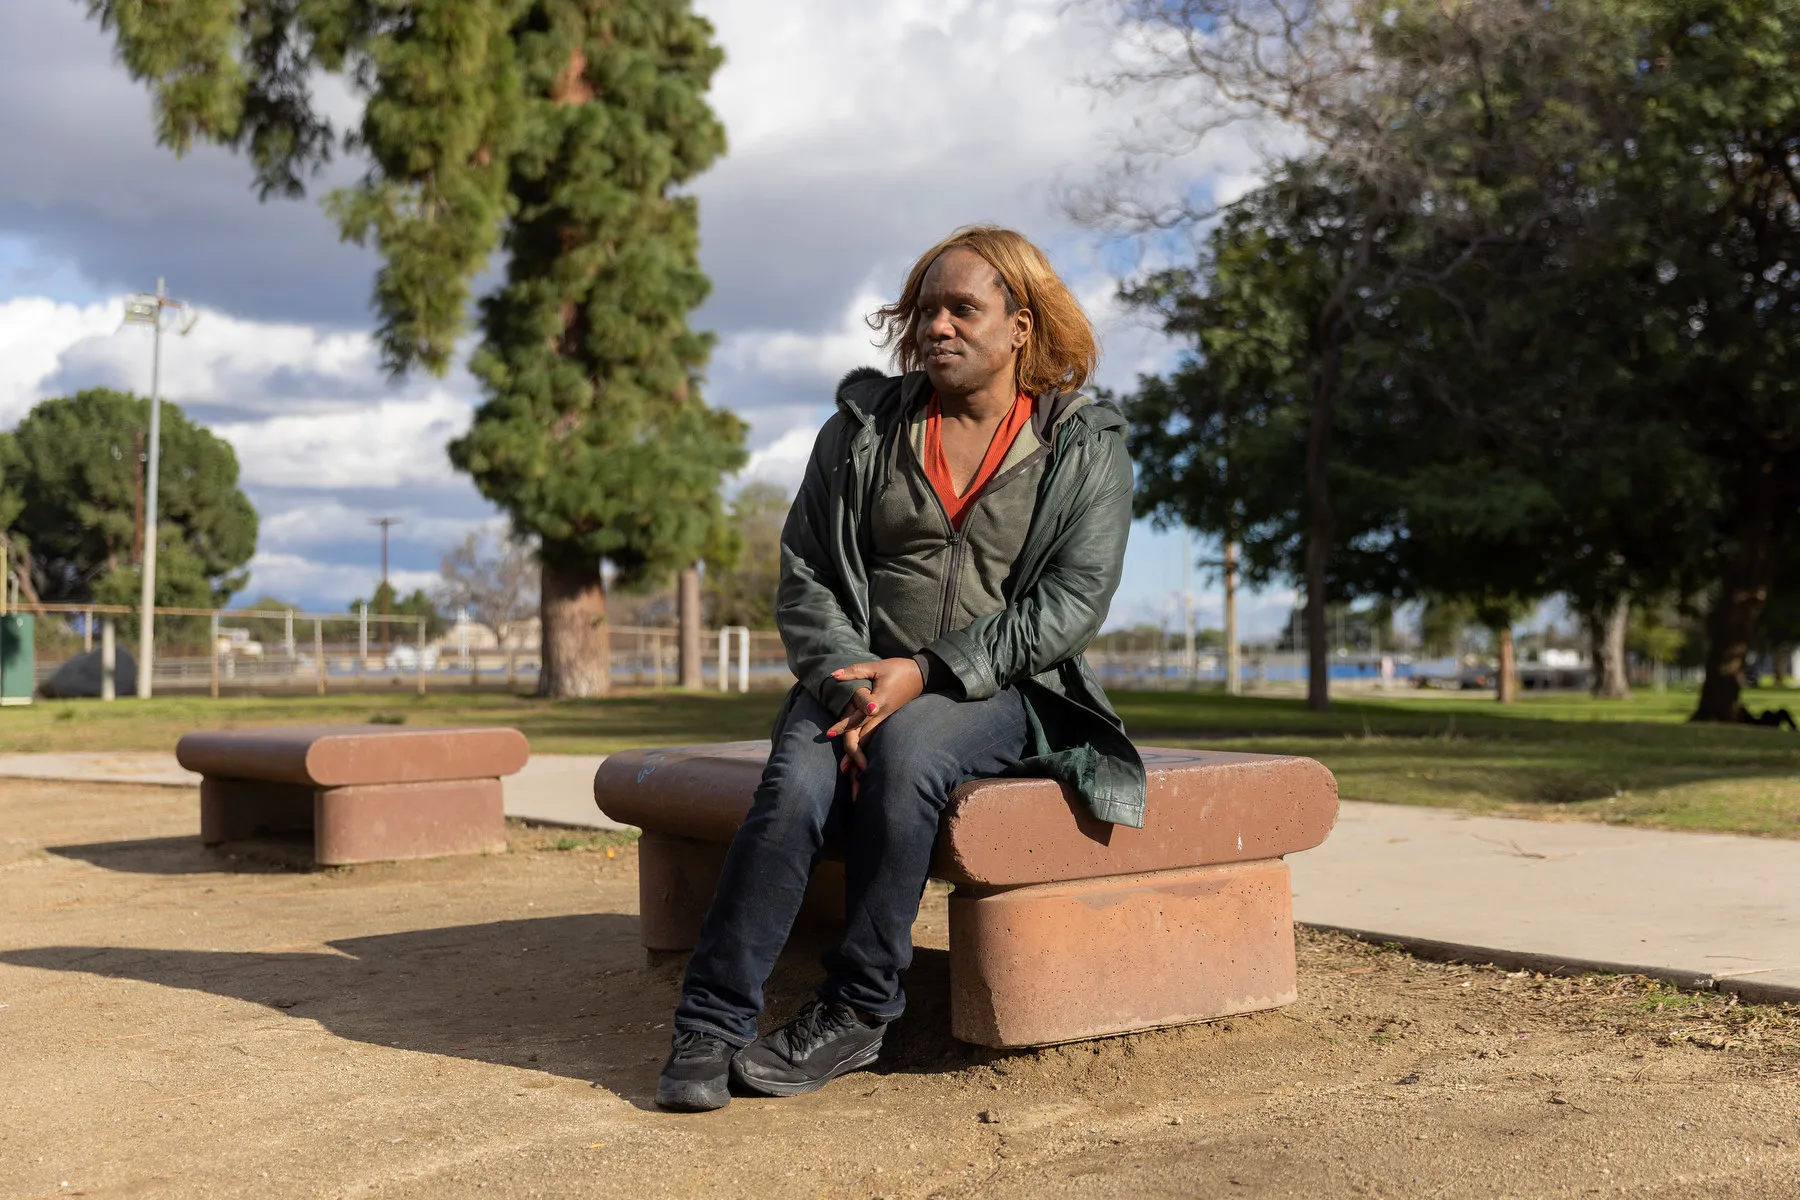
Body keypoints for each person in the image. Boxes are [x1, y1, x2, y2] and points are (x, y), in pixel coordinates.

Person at [655, 226, 1146, 1112]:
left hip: (1004, 691)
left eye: (964, 308)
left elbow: (1070, 604)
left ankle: (859, 1007)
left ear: (1022, 326)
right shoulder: (861, 431)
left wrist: (924, 672)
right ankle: (712, 1022)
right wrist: (850, 677)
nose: (938, 327)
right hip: (850, 680)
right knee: (794, 786)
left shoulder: (1084, 445)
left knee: (910, 757)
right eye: (926, 310)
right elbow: (805, 571)